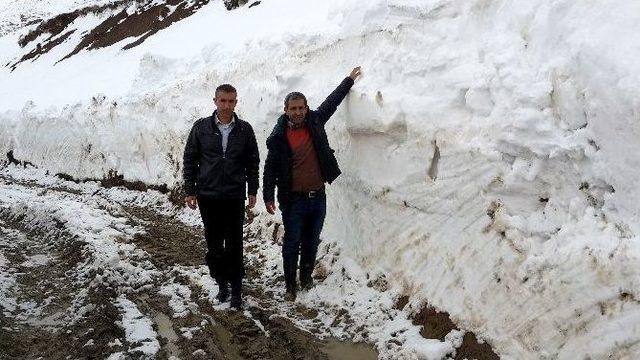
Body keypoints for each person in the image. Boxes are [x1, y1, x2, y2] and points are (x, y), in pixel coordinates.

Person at [263, 67, 362, 300]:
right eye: (293, 109)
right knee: (292, 242)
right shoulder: (279, 138)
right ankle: (290, 285)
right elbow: (270, 169)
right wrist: (268, 196)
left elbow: (332, 101)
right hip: (293, 200)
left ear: (306, 109)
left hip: (318, 197)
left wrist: (348, 80)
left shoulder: (315, 122)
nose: (298, 112)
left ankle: (306, 278)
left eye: (301, 108)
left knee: (311, 241)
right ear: (286, 111)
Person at [183, 84, 259, 310]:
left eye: (231, 101)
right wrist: (190, 190)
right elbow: (190, 159)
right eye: (223, 101)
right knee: (214, 244)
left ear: (236, 102)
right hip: (208, 195)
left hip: (234, 196)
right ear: (215, 101)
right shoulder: (201, 128)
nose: (227, 105)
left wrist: (252, 190)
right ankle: (221, 281)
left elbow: (252, 162)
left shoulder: (245, 130)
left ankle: (236, 289)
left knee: (235, 243)